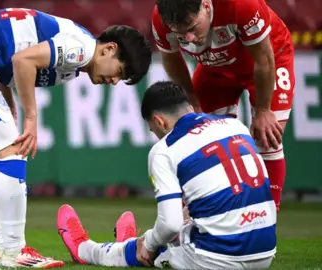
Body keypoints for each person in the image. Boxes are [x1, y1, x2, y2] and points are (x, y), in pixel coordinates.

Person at [0, 7, 152, 268]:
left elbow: (8, 56)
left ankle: (6, 249)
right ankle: (14, 251)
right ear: (109, 49)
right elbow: (24, 60)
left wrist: (8, 97)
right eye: (120, 72)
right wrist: (31, 119)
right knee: (12, 151)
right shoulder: (81, 49)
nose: (114, 81)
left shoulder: (77, 55)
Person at [58, 81, 277, 269]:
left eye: (153, 130)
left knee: (146, 248)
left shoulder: (165, 148)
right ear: (189, 107)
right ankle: (132, 242)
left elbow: (170, 224)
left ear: (159, 121)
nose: (156, 135)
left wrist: (149, 245)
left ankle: (85, 249)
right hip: (266, 250)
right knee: (188, 220)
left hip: (217, 258)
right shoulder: (235, 125)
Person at [151, 0, 294, 212]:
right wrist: (191, 98)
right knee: (197, 139)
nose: (188, 38)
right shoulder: (161, 18)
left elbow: (263, 59)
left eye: (191, 29)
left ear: (207, 6)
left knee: (267, 137)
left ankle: (265, 220)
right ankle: (210, 216)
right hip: (214, 67)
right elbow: (172, 60)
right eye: (181, 35)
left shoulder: (242, 5)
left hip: (270, 58)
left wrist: (263, 110)